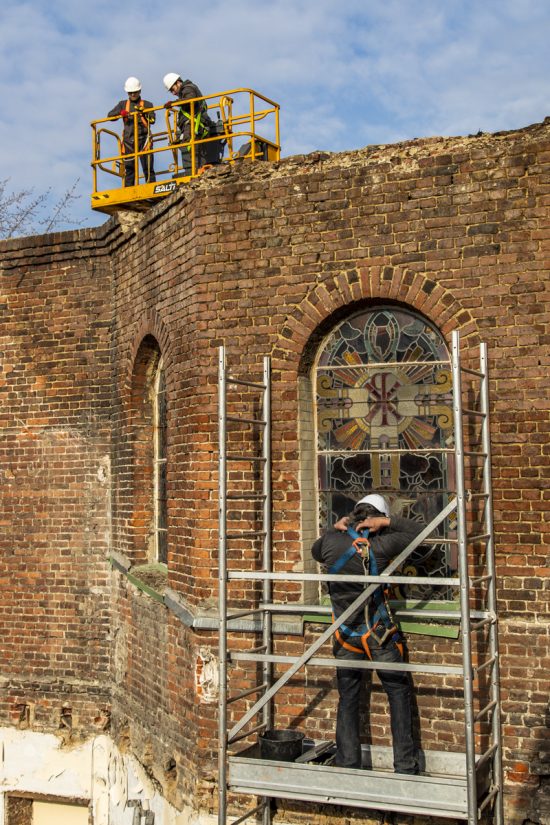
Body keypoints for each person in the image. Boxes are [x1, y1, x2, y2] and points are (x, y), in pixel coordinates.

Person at [311, 493, 424, 774]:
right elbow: (422, 532)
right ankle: (405, 767)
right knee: (397, 692)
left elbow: (315, 550)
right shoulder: (383, 543)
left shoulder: (329, 542)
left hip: (344, 634)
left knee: (348, 697)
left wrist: (334, 528)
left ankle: (348, 763)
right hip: (379, 634)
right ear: (375, 519)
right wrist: (387, 522)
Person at [162, 73, 215, 176]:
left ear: (177, 83)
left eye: (172, 89)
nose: (173, 93)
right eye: (171, 91)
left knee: (193, 149)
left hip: (193, 125)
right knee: (193, 149)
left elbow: (189, 100)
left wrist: (174, 103)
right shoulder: (186, 90)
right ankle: (196, 172)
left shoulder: (188, 89)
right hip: (193, 125)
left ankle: (196, 174)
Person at [108, 77, 156, 187]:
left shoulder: (147, 104)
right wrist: (121, 113)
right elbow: (110, 115)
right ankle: (128, 190)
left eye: (135, 92)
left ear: (139, 91)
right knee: (129, 170)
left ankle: (151, 188)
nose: (133, 95)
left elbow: (152, 120)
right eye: (130, 93)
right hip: (129, 141)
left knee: (148, 168)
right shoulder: (123, 104)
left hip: (144, 140)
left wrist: (143, 113)